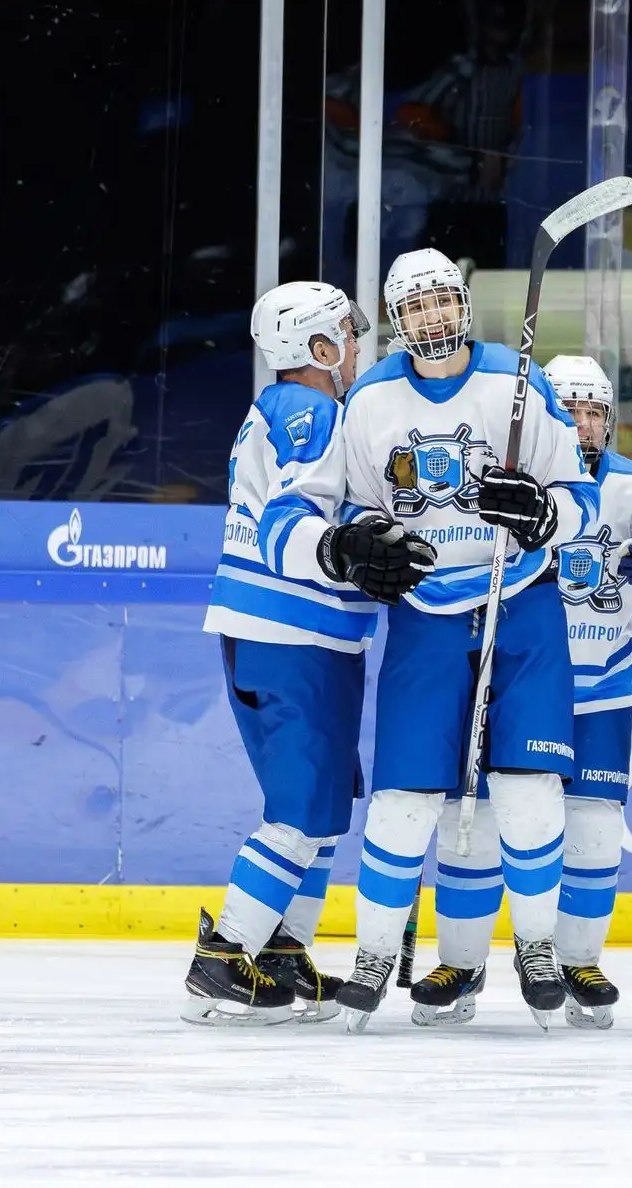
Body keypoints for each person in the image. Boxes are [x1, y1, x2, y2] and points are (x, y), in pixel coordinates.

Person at [259, 248, 598, 1031]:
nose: (433, 316)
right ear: (397, 321)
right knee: (404, 799)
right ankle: (375, 954)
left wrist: (545, 514)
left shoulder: (518, 382)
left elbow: (578, 497)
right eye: (415, 307)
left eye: (442, 300)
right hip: (426, 610)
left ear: (464, 305)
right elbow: (333, 506)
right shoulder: (370, 399)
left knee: (528, 791)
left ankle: (537, 946)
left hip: (522, 600)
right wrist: (354, 542)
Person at [410, 355, 632, 1030]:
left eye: (595, 413)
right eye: (570, 412)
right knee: (473, 824)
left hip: (600, 687)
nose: (584, 425)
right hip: (510, 685)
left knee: (593, 830)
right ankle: (462, 962)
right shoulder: (504, 482)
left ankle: (577, 961)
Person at [186, 281, 433, 1025]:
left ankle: (282, 950)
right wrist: (339, 548)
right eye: (347, 337)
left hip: (299, 638)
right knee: (300, 809)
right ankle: (225, 954)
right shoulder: (312, 409)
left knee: (322, 805)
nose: (358, 348)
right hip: (290, 636)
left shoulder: (293, 409)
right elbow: (287, 519)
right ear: (319, 349)